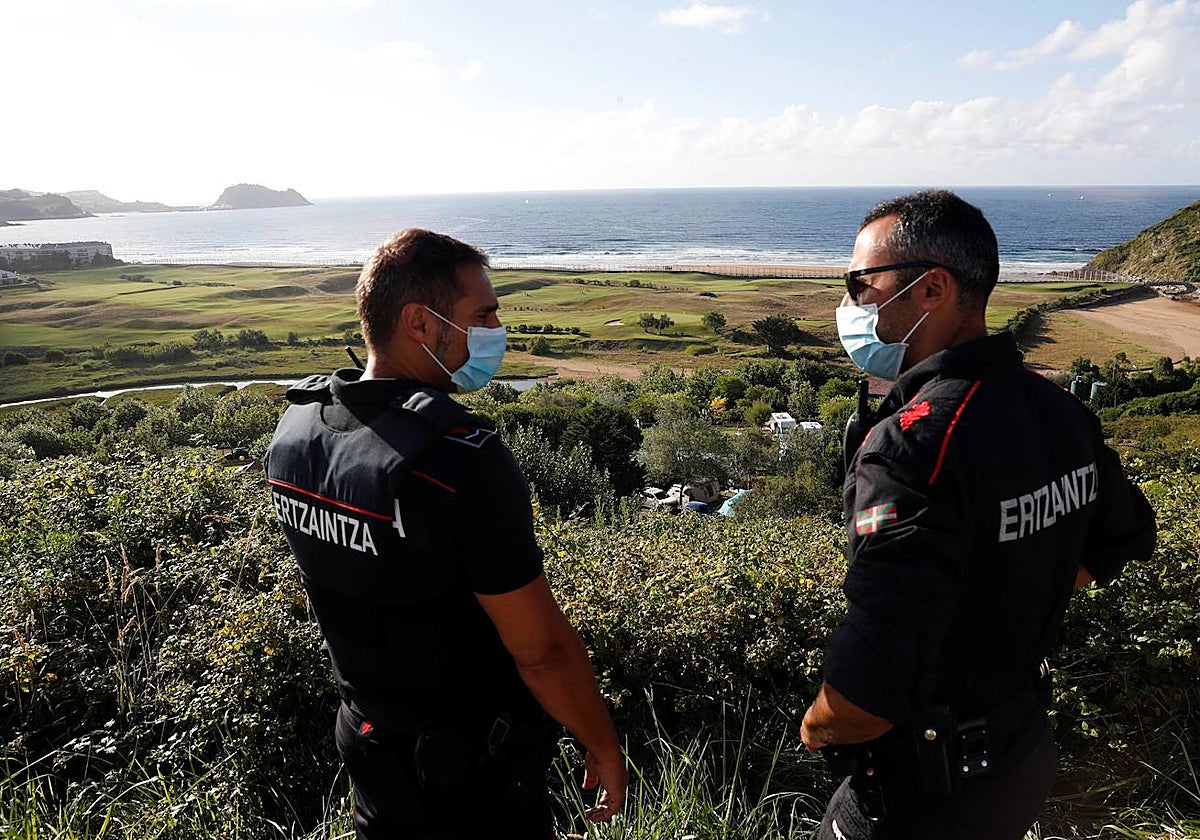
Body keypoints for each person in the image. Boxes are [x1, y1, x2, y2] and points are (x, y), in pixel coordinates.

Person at [800, 190, 1157, 840]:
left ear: (932, 289)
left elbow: (868, 695)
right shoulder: (1057, 410)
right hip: (1020, 757)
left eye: (860, 285)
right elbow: (1123, 533)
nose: (849, 305)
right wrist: (1002, 609)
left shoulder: (912, 447)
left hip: (919, 793)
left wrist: (817, 727)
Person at [265, 228, 626, 838]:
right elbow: (541, 651)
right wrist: (602, 744)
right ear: (419, 323)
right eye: (482, 315)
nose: (497, 330)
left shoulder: (299, 431)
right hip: (470, 774)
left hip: (370, 743)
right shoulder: (460, 459)